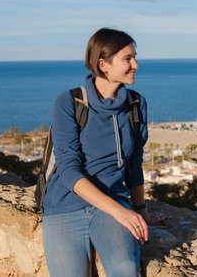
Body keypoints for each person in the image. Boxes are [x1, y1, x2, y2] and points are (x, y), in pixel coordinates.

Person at [42, 28, 165, 277]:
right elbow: (68, 170)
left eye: (135, 57)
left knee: (126, 269)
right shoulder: (70, 102)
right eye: (127, 59)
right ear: (103, 64)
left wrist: (140, 210)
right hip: (64, 205)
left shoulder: (136, 104)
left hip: (112, 202)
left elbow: (134, 163)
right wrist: (119, 211)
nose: (136, 65)